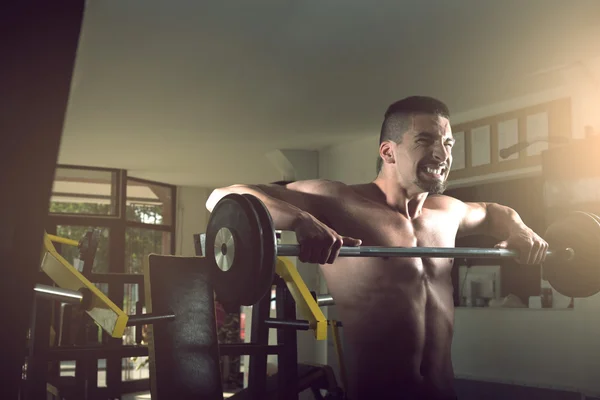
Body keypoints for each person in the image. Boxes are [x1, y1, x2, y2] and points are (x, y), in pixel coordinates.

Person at [205, 96, 548, 399]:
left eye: (448, 142)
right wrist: (300, 220)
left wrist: (520, 230)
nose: (442, 154)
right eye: (425, 140)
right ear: (388, 151)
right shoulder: (339, 201)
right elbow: (222, 196)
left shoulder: (449, 212)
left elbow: (494, 212)